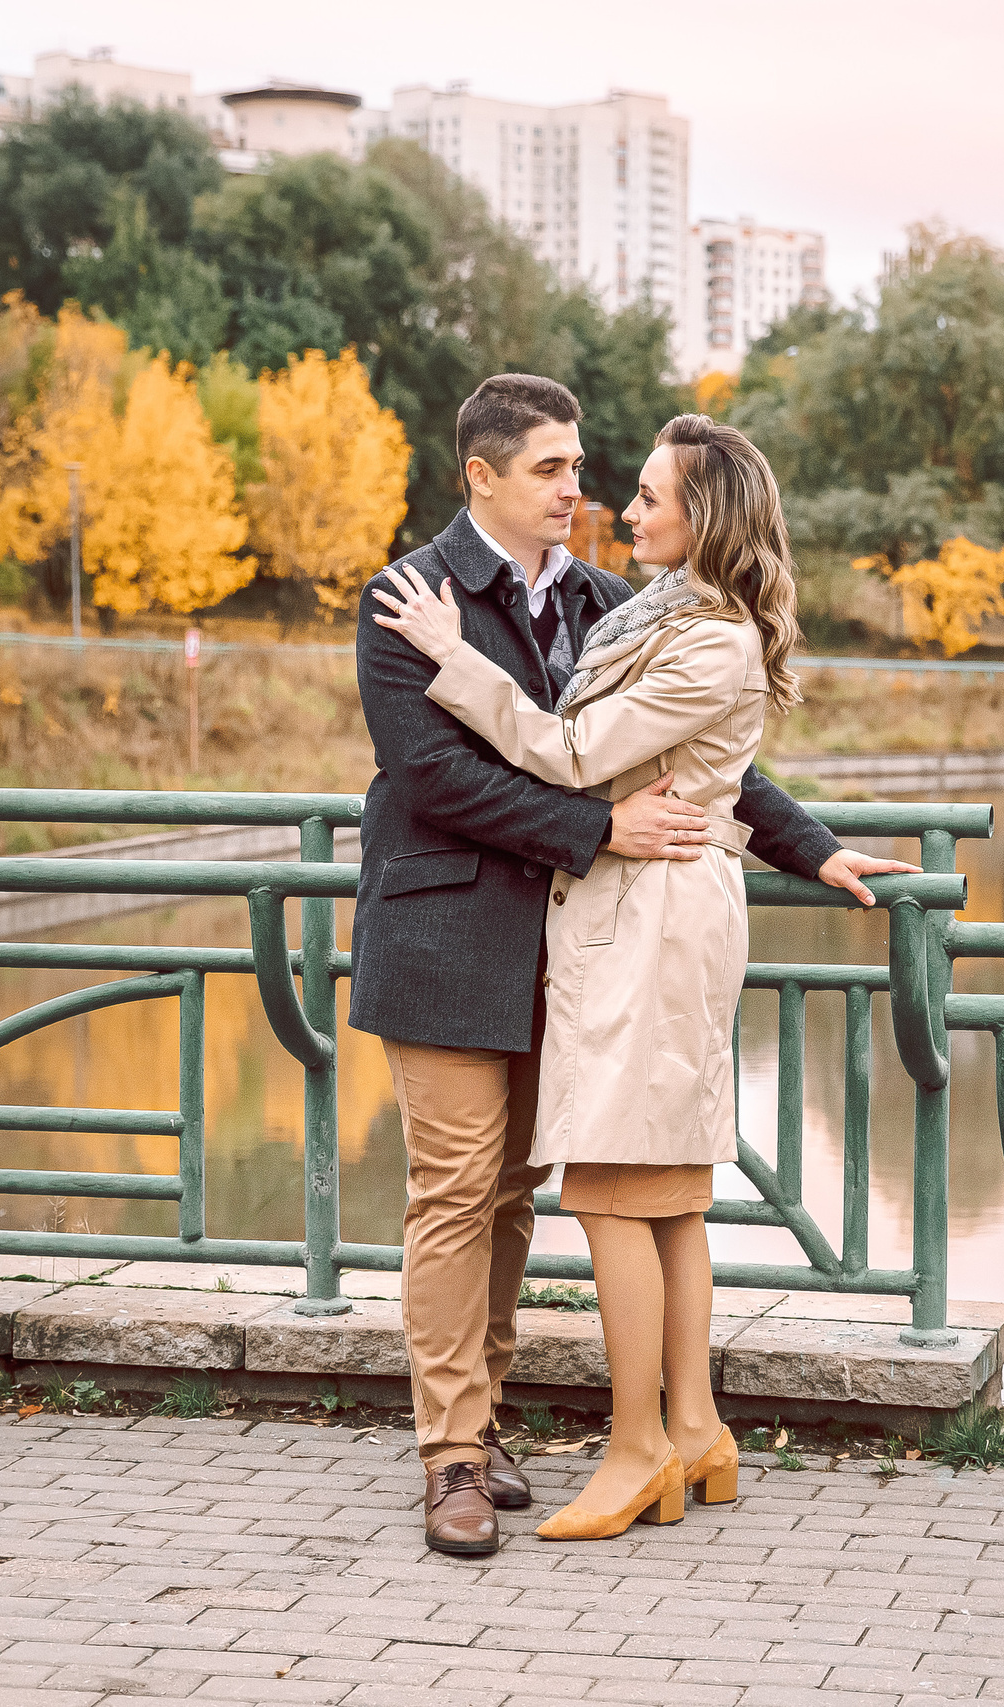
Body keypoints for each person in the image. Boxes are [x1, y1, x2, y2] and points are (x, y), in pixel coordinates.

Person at [348, 376, 915, 1556]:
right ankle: (451, 1456)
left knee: (518, 1198)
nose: (579, 488)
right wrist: (595, 831)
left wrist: (806, 847)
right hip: (456, 929)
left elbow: (705, 758)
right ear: (484, 476)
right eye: (553, 468)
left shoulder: (618, 603)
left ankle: (508, 1423)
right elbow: (432, 777)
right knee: (456, 1192)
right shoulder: (412, 598)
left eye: (586, 466)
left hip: (581, 943)